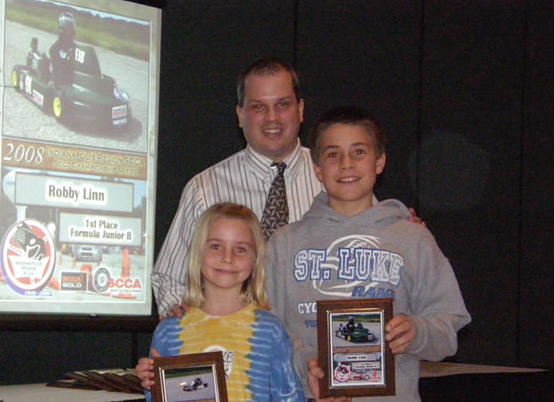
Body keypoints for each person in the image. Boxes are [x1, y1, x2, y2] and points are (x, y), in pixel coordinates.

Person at [265, 105, 471, 402]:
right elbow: (267, 330)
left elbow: (449, 322)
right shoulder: (284, 243)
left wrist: (416, 331)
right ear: (317, 168)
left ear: (379, 162)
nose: (346, 164)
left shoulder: (413, 238)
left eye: (358, 152)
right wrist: (304, 363)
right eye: (333, 154)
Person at [152, 56, 422, 317]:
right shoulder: (204, 189)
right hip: (232, 342)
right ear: (240, 115)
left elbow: (377, 254)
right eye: (259, 107)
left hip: (314, 340)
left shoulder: (337, 176)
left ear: (301, 110)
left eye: (282, 104)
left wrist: (404, 235)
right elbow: (170, 280)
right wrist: (187, 330)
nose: (272, 118)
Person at [137, 202, 306, 402]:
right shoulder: (170, 330)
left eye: (240, 249)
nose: (227, 258)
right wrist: (149, 381)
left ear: (255, 259)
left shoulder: (269, 330)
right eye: (215, 246)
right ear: (197, 253)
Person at [49, 11, 77, 86]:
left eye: (70, 31)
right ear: (61, 30)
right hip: (58, 82)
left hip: (73, 82)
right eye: (67, 31)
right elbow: (57, 70)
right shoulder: (54, 49)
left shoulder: (76, 48)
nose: (68, 33)